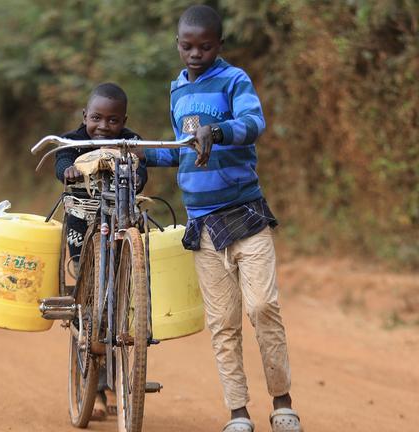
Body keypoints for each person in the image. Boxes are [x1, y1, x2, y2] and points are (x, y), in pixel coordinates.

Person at [143, 5, 303, 432]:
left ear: (219, 46)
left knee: (263, 306)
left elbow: (253, 122)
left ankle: (282, 402)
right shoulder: (177, 89)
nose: (196, 54)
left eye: (206, 46)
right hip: (203, 226)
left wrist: (217, 132)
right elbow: (177, 149)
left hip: (245, 214)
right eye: (188, 46)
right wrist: (137, 151)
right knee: (223, 323)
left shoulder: (235, 80)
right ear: (178, 45)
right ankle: (238, 412)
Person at [54, 82, 147, 421]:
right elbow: (62, 157)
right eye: (96, 118)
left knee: (114, 309)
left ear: (124, 120)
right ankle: (91, 387)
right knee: (89, 308)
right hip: (83, 224)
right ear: (84, 116)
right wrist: (67, 168)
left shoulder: (130, 142)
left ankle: (109, 386)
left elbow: (142, 169)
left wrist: (137, 176)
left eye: (113, 120)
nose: (104, 127)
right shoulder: (74, 139)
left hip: (118, 226)